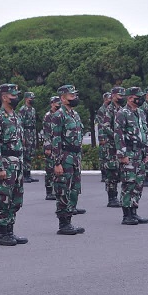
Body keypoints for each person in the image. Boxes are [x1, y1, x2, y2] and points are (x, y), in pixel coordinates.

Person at [0, 84, 27, 246]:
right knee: (4, 198)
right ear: (4, 97)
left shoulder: (16, 116)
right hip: (5, 163)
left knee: (16, 199)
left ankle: (10, 230)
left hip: (18, 163)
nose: (16, 98)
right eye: (13, 95)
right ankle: (3, 233)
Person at [51, 85, 85, 235]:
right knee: (63, 189)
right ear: (63, 98)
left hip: (75, 157)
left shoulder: (75, 114)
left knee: (74, 190)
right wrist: (57, 162)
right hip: (65, 157)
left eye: (75, 95)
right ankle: (63, 223)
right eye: (71, 96)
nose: (75, 98)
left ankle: (69, 220)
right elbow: (56, 140)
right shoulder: (59, 115)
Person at [115, 87, 148, 225]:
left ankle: (134, 211)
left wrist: (147, 151)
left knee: (138, 184)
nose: (141, 99)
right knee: (128, 183)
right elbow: (118, 135)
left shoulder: (140, 113)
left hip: (140, 153)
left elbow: (145, 132)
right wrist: (122, 154)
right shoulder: (122, 113)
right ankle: (126, 215)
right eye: (138, 97)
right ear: (130, 98)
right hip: (129, 153)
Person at [98, 87, 124, 207]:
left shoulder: (122, 109)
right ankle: (112, 197)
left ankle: (119, 196)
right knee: (111, 172)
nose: (122, 97)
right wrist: (116, 135)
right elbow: (105, 126)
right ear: (113, 96)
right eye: (119, 95)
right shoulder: (109, 110)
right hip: (111, 145)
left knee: (120, 171)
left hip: (121, 145)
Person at [42, 96, 61, 201]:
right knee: (50, 169)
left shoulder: (60, 115)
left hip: (58, 146)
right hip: (51, 146)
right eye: (56, 103)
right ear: (52, 104)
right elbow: (47, 133)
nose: (58, 105)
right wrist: (48, 147)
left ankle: (57, 190)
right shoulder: (48, 116)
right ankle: (49, 191)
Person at [19, 92, 38, 183]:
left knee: (30, 154)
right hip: (26, 132)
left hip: (32, 133)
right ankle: (24, 174)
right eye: (31, 98)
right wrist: (22, 136)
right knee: (25, 154)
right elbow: (20, 123)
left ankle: (28, 173)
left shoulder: (33, 109)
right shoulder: (23, 109)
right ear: (26, 99)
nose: (32, 100)